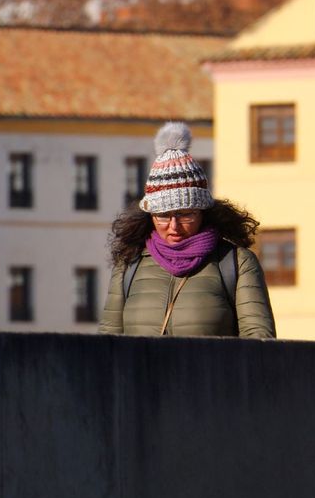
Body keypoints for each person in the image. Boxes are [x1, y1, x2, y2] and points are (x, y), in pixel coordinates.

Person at [100, 122, 276, 338]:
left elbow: (258, 339)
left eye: (185, 214)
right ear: (150, 216)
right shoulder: (129, 264)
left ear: (203, 211)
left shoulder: (236, 263)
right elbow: (108, 342)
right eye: (163, 215)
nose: (173, 226)